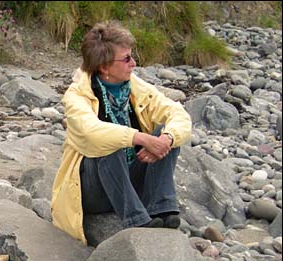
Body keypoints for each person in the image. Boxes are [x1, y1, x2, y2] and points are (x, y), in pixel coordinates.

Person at [51, 21, 191, 245]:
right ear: (104, 66)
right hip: (92, 191)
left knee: (166, 132)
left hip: (126, 178)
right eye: (126, 59)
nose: (133, 63)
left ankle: (161, 209)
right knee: (108, 143)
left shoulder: (134, 86)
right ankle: (136, 219)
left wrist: (166, 139)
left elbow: (178, 114)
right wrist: (139, 138)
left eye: (131, 56)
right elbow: (91, 132)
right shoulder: (76, 95)